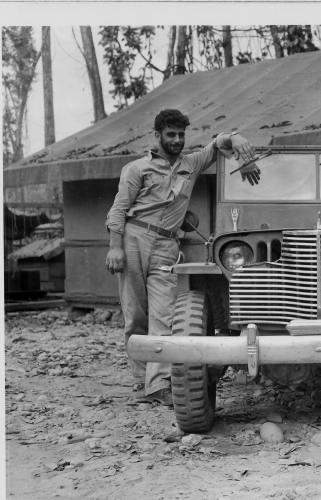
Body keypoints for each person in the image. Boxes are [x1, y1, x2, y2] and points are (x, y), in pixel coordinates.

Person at [105, 109, 260, 405]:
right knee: (135, 315)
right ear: (157, 136)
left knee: (164, 315)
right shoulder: (137, 169)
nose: (177, 140)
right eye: (170, 135)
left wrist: (236, 137)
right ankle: (140, 381)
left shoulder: (191, 163)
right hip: (134, 238)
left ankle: (158, 384)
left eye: (181, 135)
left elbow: (217, 146)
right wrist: (115, 246)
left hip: (166, 244)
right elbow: (118, 210)